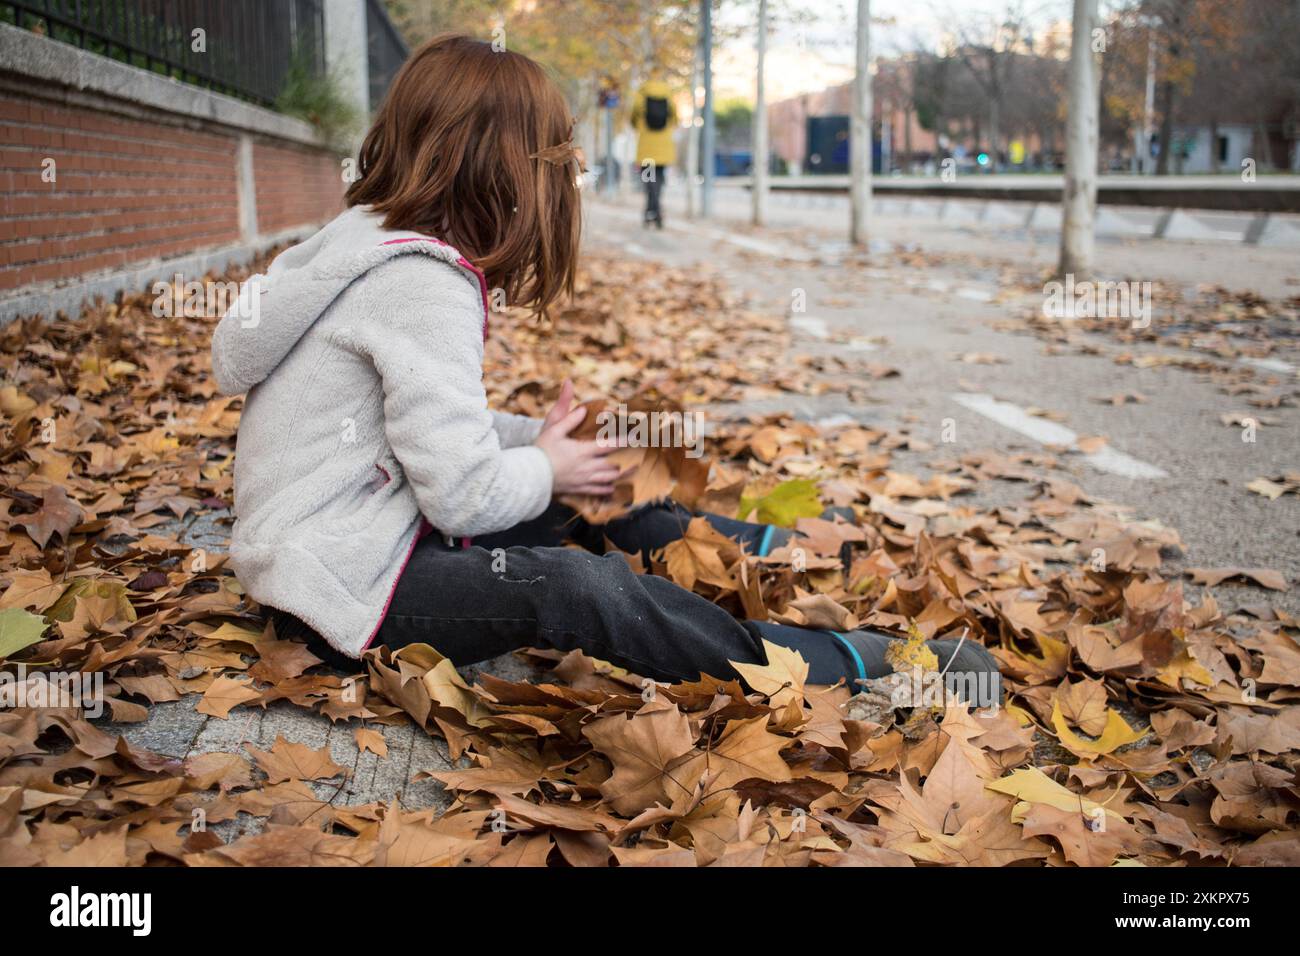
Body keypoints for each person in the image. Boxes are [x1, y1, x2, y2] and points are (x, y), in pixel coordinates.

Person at [210, 35, 998, 701]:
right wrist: (541, 468)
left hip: (351, 544)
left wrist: (547, 452)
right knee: (576, 589)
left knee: (593, 483)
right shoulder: (421, 284)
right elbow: (461, 495)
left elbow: (416, 432)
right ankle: (829, 666)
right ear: (509, 171)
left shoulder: (361, 242)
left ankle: (763, 546)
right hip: (342, 588)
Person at [630, 79, 676, 228]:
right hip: (664, 150)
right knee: (659, 183)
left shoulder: (641, 96)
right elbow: (675, 118)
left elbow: (633, 119)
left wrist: (639, 126)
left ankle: (652, 212)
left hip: (647, 151)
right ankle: (654, 212)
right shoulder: (668, 96)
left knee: (649, 183)